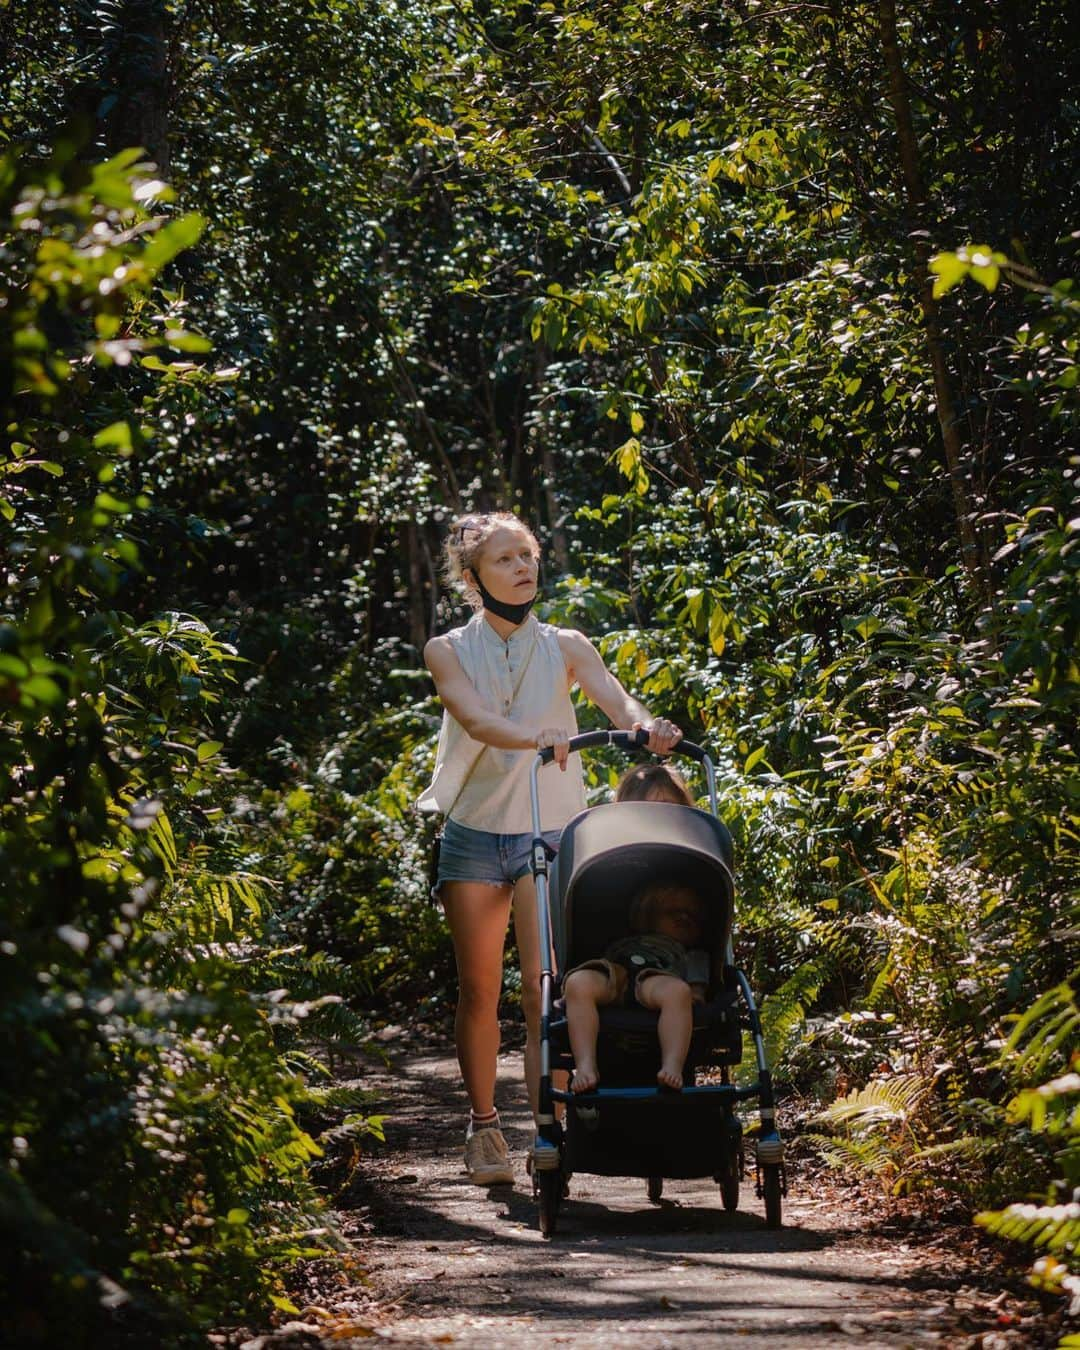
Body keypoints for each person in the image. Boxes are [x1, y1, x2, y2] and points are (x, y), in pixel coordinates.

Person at [418, 510, 682, 1185]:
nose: (522, 567)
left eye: (528, 555)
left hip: (553, 829)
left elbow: (616, 702)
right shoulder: (447, 649)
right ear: (473, 575)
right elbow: (474, 717)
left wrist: (643, 725)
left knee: (547, 991)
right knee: (479, 991)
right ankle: (483, 1130)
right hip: (476, 832)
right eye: (505, 559)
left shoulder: (565, 644)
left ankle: (551, 1125)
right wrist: (528, 737)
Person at [563, 880, 710, 1093]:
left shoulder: (693, 953)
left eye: (692, 916)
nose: (684, 918)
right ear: (649, 914)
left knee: (680, 992)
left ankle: (672, 1066)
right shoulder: (627, 939)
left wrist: (696, 994)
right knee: (577, 982)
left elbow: (697, 986)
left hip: (657, 980)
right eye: (674, 912)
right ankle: (586, 1066)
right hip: (616, 974)